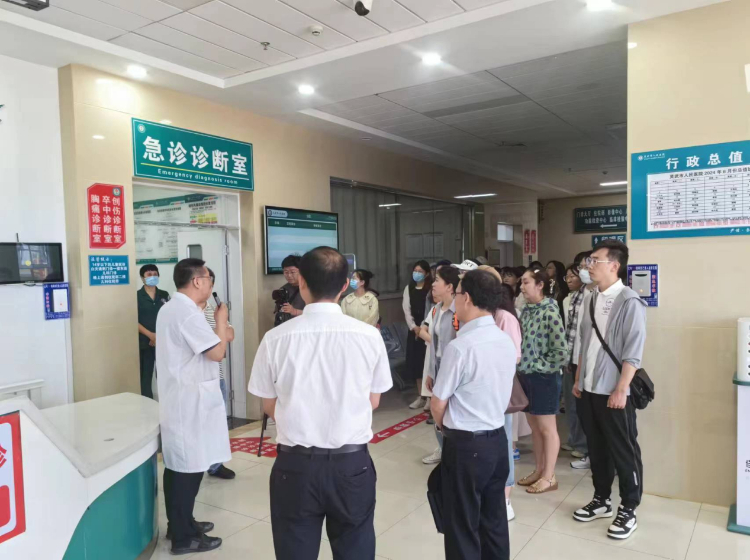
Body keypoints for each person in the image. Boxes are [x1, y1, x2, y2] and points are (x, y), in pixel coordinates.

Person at [249, 247, 392, 560]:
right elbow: (374, 400)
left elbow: (268, 405)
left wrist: (301, 415)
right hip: (351, 465)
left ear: (301, 282)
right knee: (355, 548)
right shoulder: (368, 336)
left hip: (295, 467)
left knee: (294, 550)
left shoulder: (275, 338)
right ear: (344, 285)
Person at [431, 270, 516, 560]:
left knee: (462, 524)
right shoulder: (504, 340)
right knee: (494, 520)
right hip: (497, 441)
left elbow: (438, 403)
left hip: (466, 445)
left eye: (456, 294)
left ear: (466, 298)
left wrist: (443, 428)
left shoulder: (460, 347)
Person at [156, 258, 231, 555]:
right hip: (190, 403)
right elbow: (217, 352)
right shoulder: (187, 314)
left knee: (181, 467)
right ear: (198, 281)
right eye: (209, 279)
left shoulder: (173, 308)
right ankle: (184, 537)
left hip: (184, 399)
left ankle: (181, 523)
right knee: (187, 470)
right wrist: (222, 319)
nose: (211, 285)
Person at [572, 240, 646, 540]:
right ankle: (601, 499)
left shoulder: (629, 301)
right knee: (597, 448)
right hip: (589, 387)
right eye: (589, 261)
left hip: (614, 391)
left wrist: (621, 388)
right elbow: (585, 343)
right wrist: (579, 379)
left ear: (614, 265)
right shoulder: (590, 297)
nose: (589, 266)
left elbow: (633, 352)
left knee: (623, 449)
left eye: (595, 260)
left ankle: (629, 507)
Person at [516, 267, 568, 494]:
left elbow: (561, 351)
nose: (521, 287)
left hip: (544, 377)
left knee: (547, 429)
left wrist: (539, 366)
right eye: (521, 282)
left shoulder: (550, 311)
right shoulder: (526, 311)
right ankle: (539, 470)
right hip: (526, 376)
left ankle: (549, 476)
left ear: (540, 285)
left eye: (526, 282)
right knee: (534, 427)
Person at [481, 266, 523, 522]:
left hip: (499, 390)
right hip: (480, 392)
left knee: (504, 441)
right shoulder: (475, 316)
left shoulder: (504, 318)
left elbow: (514, 357)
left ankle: (506, 498)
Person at [420, 265, 461, 465]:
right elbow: (434, 344)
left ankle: (454, 452)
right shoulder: (436, 309)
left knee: (451, 412)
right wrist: (430, 372)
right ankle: (442, 448)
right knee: (438, 412)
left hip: (453, 370)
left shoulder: (459, 311)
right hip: (437, 367)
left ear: (449, 286)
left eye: (437, 280)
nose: (433, 284)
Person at [202, 268, 236, 480]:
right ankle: (198, 462)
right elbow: (218, 338)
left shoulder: (214, 310)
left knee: (217, 422)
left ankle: (215, 465)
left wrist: (218, 328)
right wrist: (219, 331)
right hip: (197, 378)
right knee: (198, 422)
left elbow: (230, 334)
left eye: (210, 282)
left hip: (218, 375)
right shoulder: (187, 312)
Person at [561, 263, 588, 464]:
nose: (569, 280)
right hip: (569, 355)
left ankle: (583, 444)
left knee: (581, 404)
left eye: (573, 275)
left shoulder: (590, 296)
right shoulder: (567, 299)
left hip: (582, 356)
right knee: (570, 402)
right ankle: (574, 439)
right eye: (567, 276)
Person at [402, 260, 433, 410]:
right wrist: (414, 327)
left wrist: (423, 328)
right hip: (414, 330)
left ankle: (429, 396)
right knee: (416, 365)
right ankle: (421, 395)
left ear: (427, 274)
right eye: (415, 270)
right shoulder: (409, 288)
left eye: (420, 271)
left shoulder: (430, 289)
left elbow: (431, 309)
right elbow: (406, 310)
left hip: (427, 329)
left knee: (427, 363)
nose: (417, 273)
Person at [136, 264, 170, 399]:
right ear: (142, 278)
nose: (152, 277)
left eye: (155, 274)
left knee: (164, 376)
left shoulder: (164, 295)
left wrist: (158, 336)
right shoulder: (137, 296)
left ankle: (166, 404)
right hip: (145, 343)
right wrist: (151, 335)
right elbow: (133, 320)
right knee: (145, 377)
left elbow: (170, 316)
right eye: (149, 274)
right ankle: (146, 406)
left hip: (162, 342)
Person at [275, 255, 306, 325]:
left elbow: (317, 313)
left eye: (292, 272)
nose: (289, 275)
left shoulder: (311, 288)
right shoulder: (283, 289)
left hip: (305, 326)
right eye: (286, 272)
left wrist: (295, 311)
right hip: (288, 326)